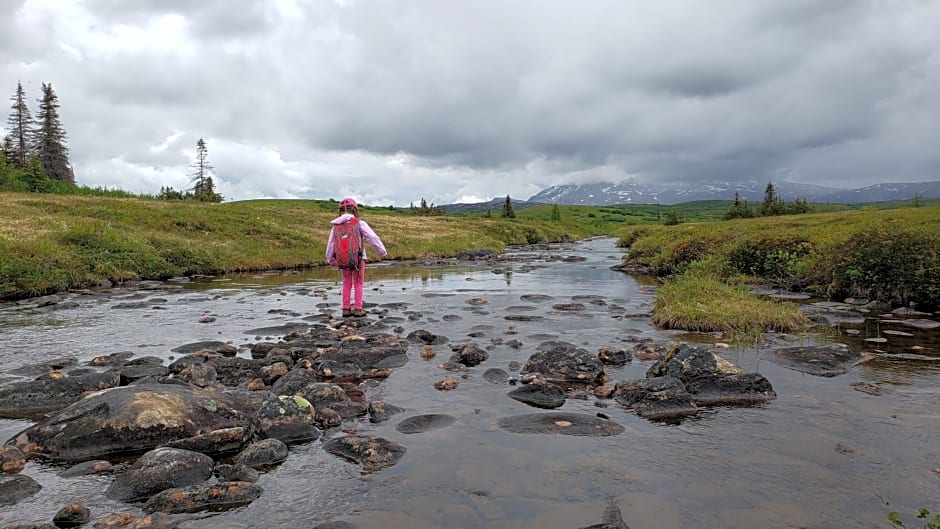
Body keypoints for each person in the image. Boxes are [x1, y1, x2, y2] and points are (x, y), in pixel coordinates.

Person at [325, 197, 387, 318]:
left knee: (346, 282)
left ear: (340, 210)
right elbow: (373, 238)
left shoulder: (336, 225)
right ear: (355, 210)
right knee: (358, 283)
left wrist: (331, 259)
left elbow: (331, 243)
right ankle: (358, 309)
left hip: (342, 259)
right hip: (359, 258)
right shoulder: (359, 223)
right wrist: (382, 252)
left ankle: (346, 309)